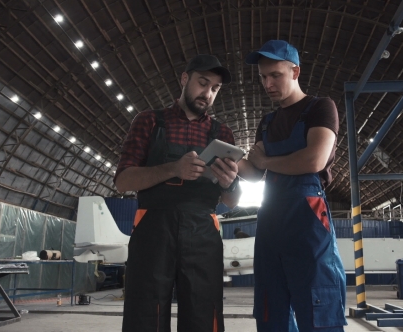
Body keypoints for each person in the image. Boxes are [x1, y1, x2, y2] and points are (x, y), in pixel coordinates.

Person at [114, 54, 241, 332]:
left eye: (215, 88)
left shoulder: (223, 135)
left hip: (203, 232)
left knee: (203, 312)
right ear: (185, 79)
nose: (207, 93)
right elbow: (123, 181)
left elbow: (231, 202)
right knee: (145, 312)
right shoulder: (149, 122)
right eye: (202, 83)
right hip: (153, 229)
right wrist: (173, 168)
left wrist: (230, 182)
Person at [238, 40, 347, 331]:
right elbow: (253, 172)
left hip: (307, 212)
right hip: (271, 214)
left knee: (316, 297)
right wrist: (228, 161)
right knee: (271, 304)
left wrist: (267, 162)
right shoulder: (267, 122)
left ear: (295, 71)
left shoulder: (320, 108)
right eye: (263, 77)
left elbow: (314, 160)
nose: (268, 83)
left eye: (275, 75)